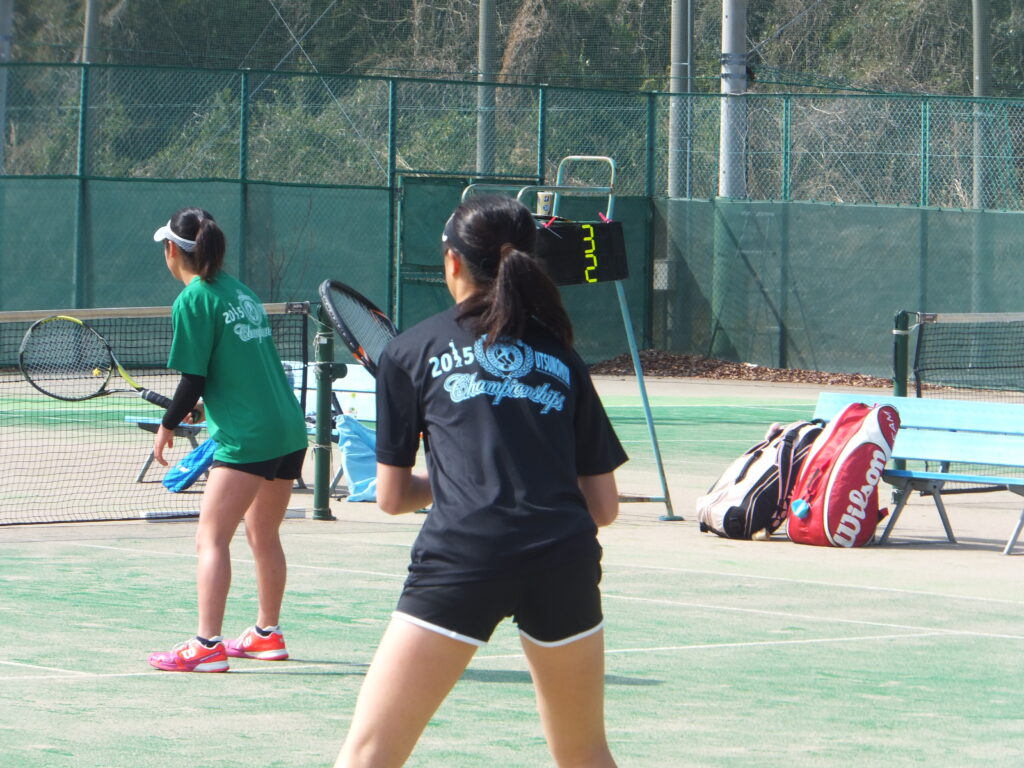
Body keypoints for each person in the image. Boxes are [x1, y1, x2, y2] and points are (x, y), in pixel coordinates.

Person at [334, 195, 627, 767]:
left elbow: (391, 497)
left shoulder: (409, 352)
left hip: (465, 555)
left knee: (369, 754)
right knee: (586, 753)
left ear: (452, 262)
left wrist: (462, 482)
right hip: (564, 559)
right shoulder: (563, 355)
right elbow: (604, 507)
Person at [146, 207, 309, 673]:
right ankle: (267, 635)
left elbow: (192, 378)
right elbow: (236, 368)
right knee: (263, 534)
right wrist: (202, 406)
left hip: (247, 437)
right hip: (287, 428)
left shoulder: (194, 299)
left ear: (172, 250)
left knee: (211, 538)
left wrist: (167, 425)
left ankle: (207, 645)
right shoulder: (241, 292)